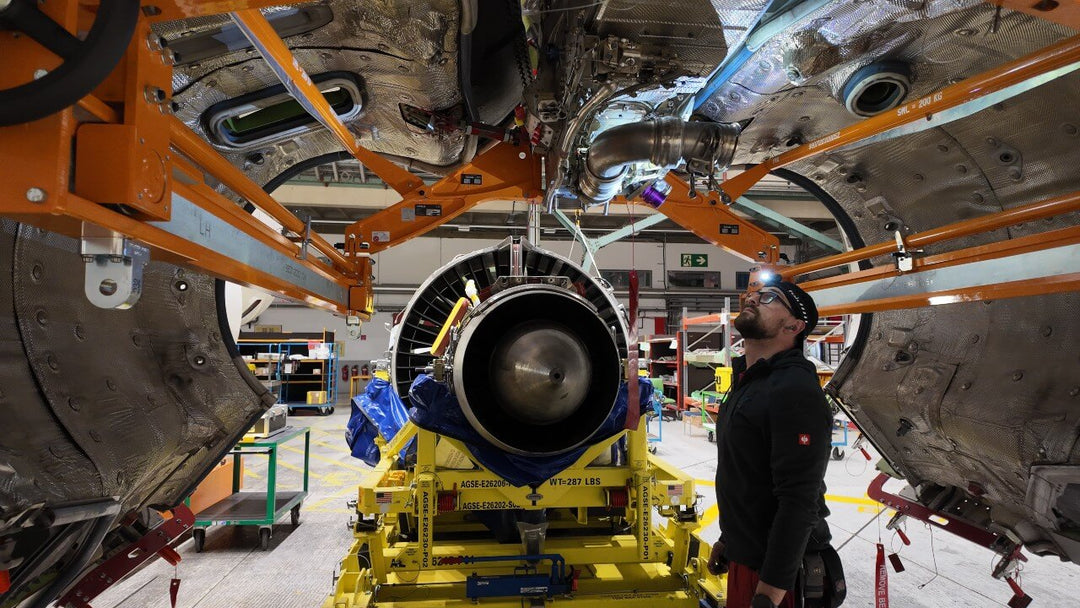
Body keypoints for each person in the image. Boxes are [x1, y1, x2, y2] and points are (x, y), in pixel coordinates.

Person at [706, 278, 840, 608]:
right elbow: (748, 474)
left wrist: (770, 593)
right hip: (748, 559)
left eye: (770, 298)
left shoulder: (794, 390)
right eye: (755, 294)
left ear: (794, 326)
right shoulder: (748, 381)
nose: (753, 299)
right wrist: (729, 539)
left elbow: (799, 499)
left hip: (778, 577)